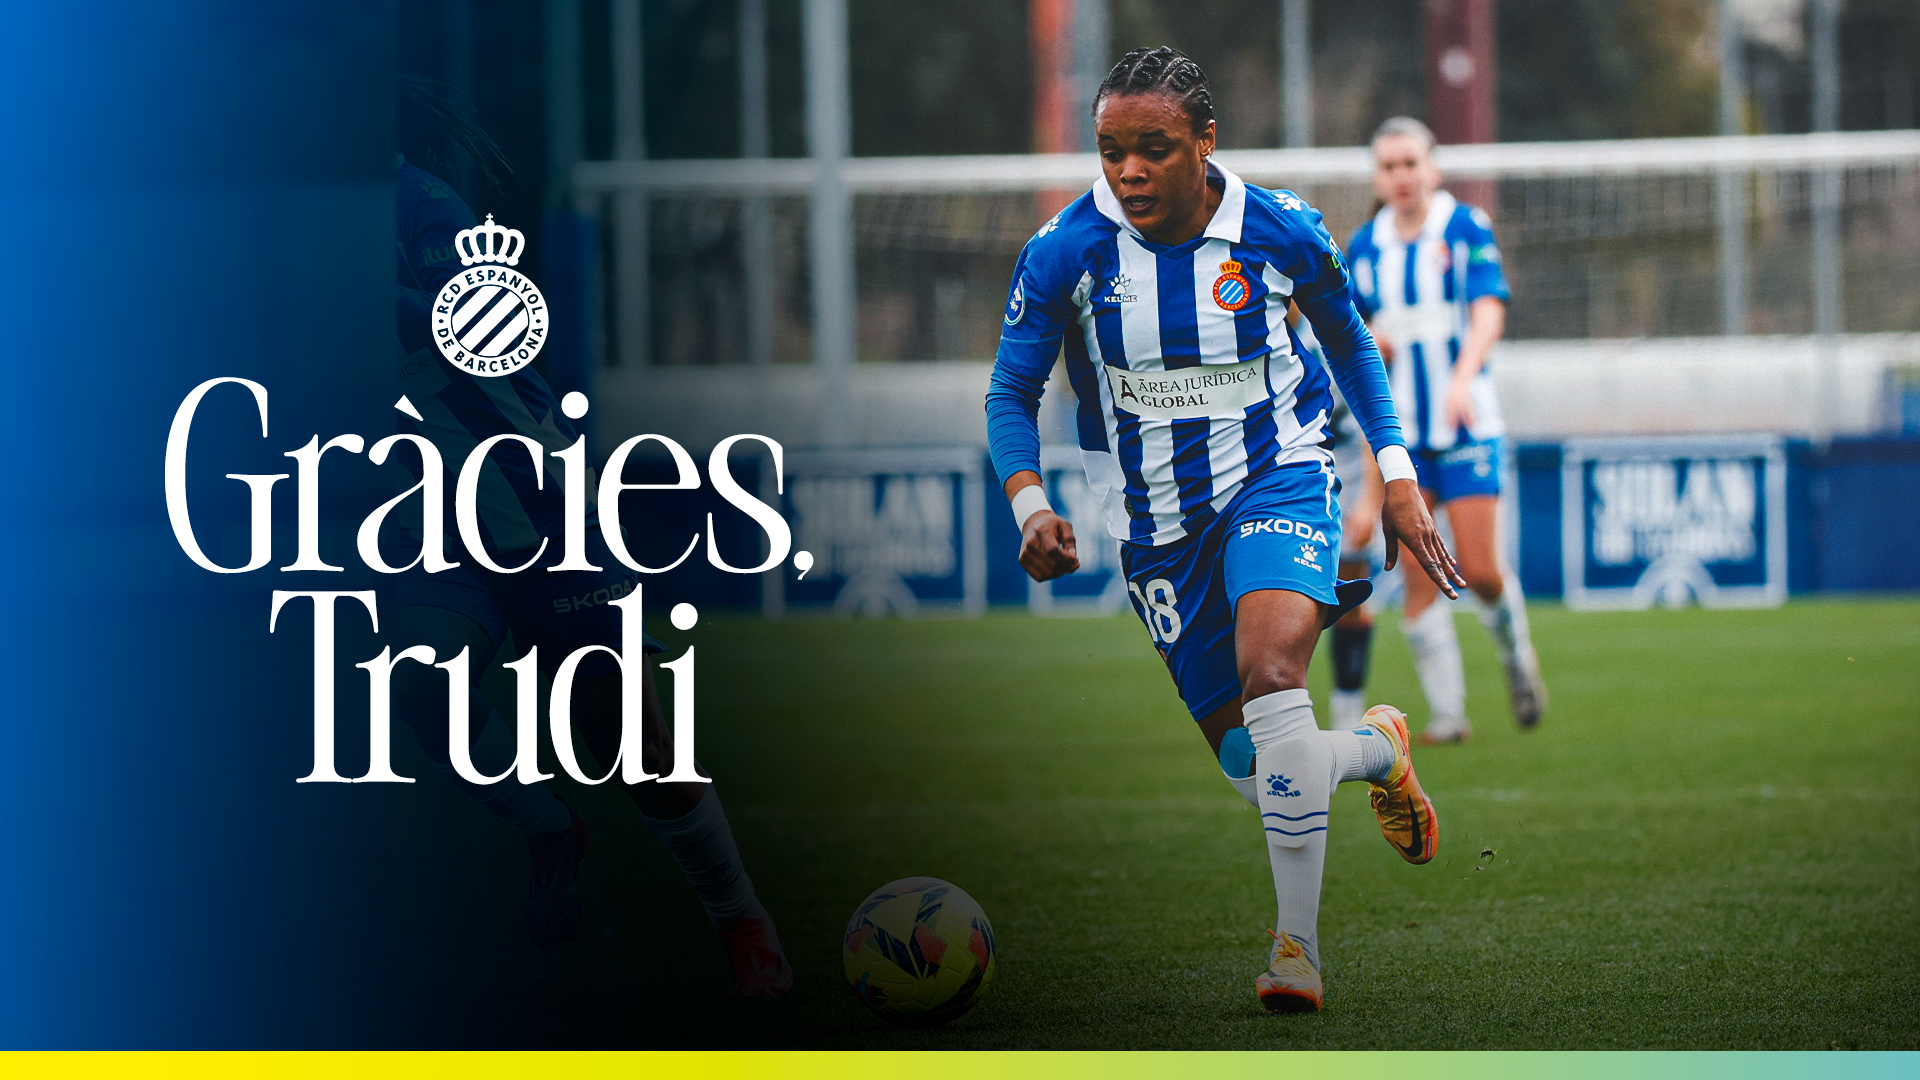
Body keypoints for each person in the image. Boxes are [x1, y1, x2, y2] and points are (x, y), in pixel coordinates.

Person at [985, 48, 1464, 1013]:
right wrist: (1030, 503)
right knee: (1260, 771)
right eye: (1111, 151)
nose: (1129, 172)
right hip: (1155, 529)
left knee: (1273, 676)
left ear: (1206, 142)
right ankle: (1377, 750)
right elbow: (1011, 392)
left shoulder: (1278, 229)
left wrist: (1398, 471)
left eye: (1153, 149)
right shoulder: (1066, 251)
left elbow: (1350, 341)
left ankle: (1297, 951)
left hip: (1278, 476)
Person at [388, 76, 791, 996]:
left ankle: (740, 917)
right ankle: (548, 828)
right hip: (432, 521)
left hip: (534, 506)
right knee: (414, 684)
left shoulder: (425, 204)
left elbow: (483, 334)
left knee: (631, 748)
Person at [1344, 117, 1548, 744]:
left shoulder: (1464, 227)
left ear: (1432, 168)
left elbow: (1488, 312)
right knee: (1419, 577)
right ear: (1377, 178)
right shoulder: (1364, 248)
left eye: (1411, 163)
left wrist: (1462, 377)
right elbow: (1352, 337)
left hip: (1466, 425)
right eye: (1389, 166)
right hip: (1402, 436)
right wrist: (1370, 341)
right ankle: (1449, 716)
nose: (1401, 176)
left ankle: (1517, 660)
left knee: (1480, 571)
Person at [1291, 309, 1386, 731]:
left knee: (1349, 601)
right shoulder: (1247, 330)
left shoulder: (1325, 337)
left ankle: (1347, 712)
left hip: (1341, 471)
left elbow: (1368, 418)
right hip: (1281, 479)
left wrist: (1368, 501)